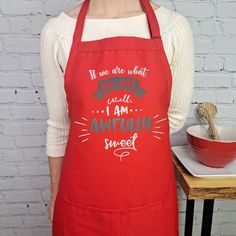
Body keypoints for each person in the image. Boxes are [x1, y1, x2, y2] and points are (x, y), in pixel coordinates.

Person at [40, 0, 194, 235]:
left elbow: (174, 117)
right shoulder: (58, 32)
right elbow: (59, 127)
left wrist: (122, 132)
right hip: (81, 208)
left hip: (150, 205)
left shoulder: (173, 28)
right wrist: (55, 195)